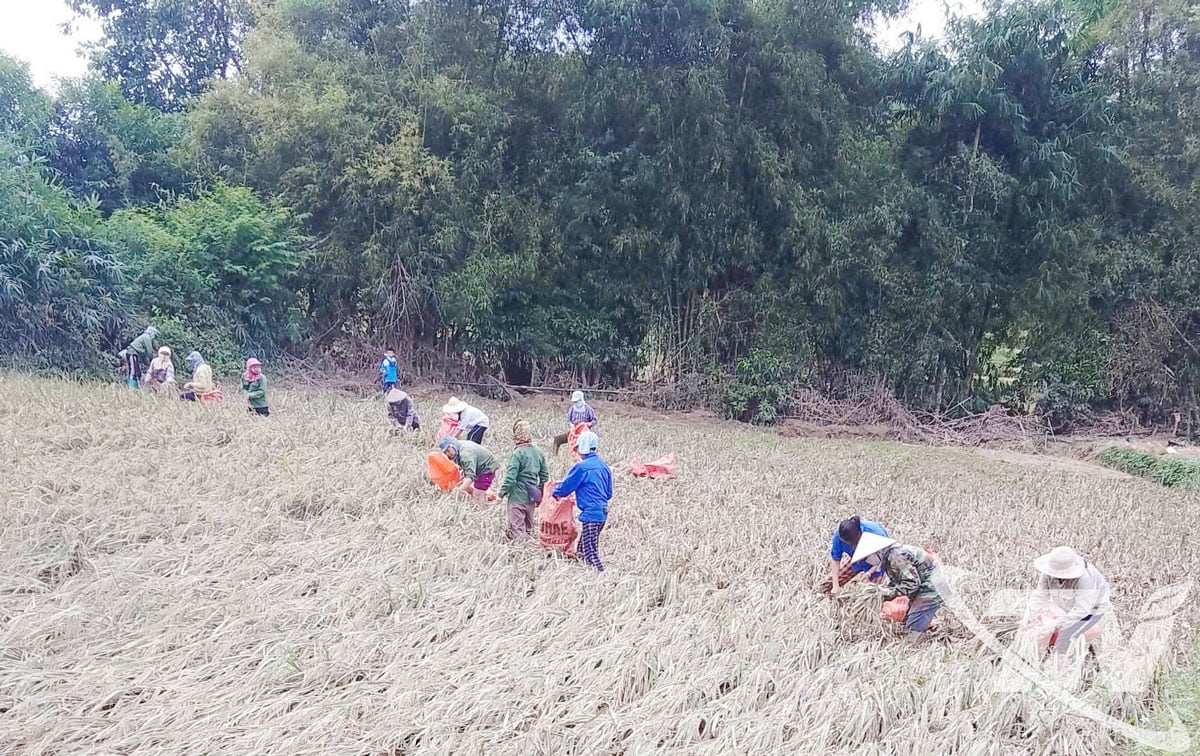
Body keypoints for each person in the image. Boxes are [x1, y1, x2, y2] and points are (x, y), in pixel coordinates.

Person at [1023, 546, 1111, 656]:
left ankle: (1059, 668)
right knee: (1054, 633)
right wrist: (1027, 619)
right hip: (1069, 606)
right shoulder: (1047, 573)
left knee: (1064, 638)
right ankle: (1081, 652)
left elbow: (1081, 611)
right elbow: (1039, 596)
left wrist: (1054, 626)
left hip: (1092, 610)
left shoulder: (1085, 579)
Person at [851, 533, 943, 637]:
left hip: (931, 588)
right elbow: (899, 581)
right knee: (907, 621)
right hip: (925, 586)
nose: (867, 561)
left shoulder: (896, 557)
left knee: (913, 632)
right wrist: (884, 590)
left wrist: (886, 594)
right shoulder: (889, 557)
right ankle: (931, 626)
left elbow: (911, 585)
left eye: (866, 557)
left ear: (876, 552)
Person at [553, 431, 613, 571]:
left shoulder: (582, 467)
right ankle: (578, 570)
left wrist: (554, 492)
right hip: (602, 513)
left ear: (583, 447)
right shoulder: (604, 466)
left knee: (589, 552)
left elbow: (566, 487)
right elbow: (609, 493)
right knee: (583, 547)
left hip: (591, 514)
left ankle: (601, 575)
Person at [499, 420, 549, 540]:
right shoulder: (538, 453)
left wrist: (501, 494)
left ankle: (521, 555)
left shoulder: (517, 453)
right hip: (531, 498)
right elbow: (544, 476)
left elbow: (510, 478)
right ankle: (532, 553)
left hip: (517, 497)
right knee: (529, 529)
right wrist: (540, 495)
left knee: (517, 531)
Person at [825, 516, 889, 595]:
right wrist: (835, 586)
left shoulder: (876, 533)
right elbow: (835, 559)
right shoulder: (839, 535)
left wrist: (868, 573)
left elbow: (882, 559)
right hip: (855, 559)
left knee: (870, 595)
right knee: (827, 585)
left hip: (875, 562)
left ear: (859, 534)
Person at [439, 437, 498, 501]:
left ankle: (482, 508)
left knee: (477, 495)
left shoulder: (465, 454)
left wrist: (458, 491)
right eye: (445, 452)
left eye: (448, 450)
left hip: (486, 467)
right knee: (472, 488)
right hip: (477, 467)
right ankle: (488, 499)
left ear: (452, 445)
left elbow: (470, 477)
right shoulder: (457, 447)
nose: (448, 454)